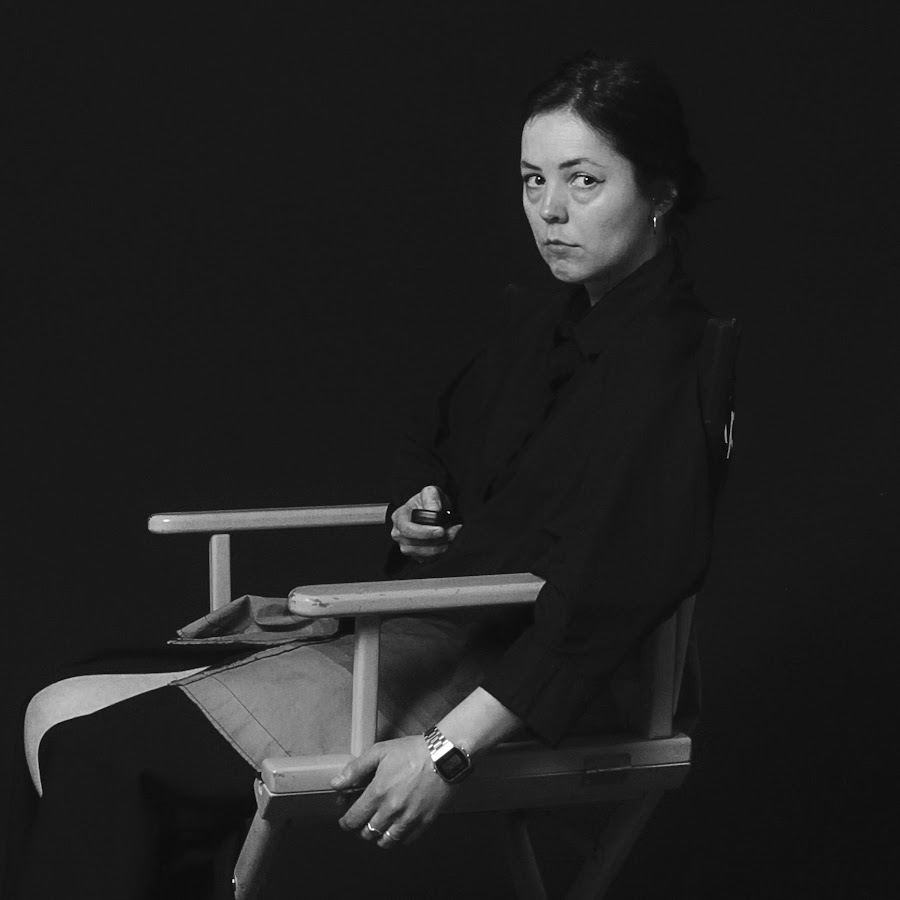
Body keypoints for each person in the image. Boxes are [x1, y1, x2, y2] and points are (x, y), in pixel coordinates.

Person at [12, 51, 714, 898]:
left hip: (531, 679)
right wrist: (420, 502)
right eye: (533, 181)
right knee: (56, 707)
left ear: (661, 190)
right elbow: (435, 432)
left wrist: (445, 752)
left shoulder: (668, 361)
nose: (551, 211)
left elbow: (613, 591)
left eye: (585, 181)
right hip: (443, 630)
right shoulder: (549, 327)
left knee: (100, 756)